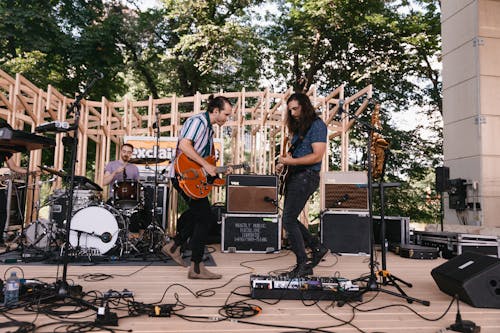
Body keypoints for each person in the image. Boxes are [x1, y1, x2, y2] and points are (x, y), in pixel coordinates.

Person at [163, 95, 233, 279]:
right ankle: (196, 267)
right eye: (226, 114)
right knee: (205, 217)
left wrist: (217, 170)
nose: (227, 118)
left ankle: (174, 246)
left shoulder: (209, 130)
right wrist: (207, 165)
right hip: (183, 176)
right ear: (215, 111)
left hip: (192, 177)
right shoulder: (198, 122)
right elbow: (185, 145)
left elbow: (204, 163)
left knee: (199, 214)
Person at [277, 92, 328, 277]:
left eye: (295, 108)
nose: (292, 113)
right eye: (289, 110)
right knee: (289, 218)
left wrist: (291, 163)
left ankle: (302, 264)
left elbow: (316, 156)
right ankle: (316, 247)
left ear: (305, 106)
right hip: (296, 176)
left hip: (307, 177)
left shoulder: (317, 125)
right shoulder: (300, 129)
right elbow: (296, 156)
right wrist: (284, 164)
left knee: (288, 220)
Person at [103, 143, 146, 232]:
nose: (126, 154)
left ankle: (133, 238)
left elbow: (138, 186)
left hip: (131, 201)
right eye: (124, 151)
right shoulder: (111, 165)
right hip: (114, 200)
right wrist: (115, 172)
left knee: (140, 215)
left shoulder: (134, 168)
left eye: (129, 152)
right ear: (121, 152)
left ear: (131, 154)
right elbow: (104, 182)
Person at [0, 120, 27, 247]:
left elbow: (14, 167)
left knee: (2, 211)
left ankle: (0, 240)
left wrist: (31, 172)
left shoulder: (4, 149)